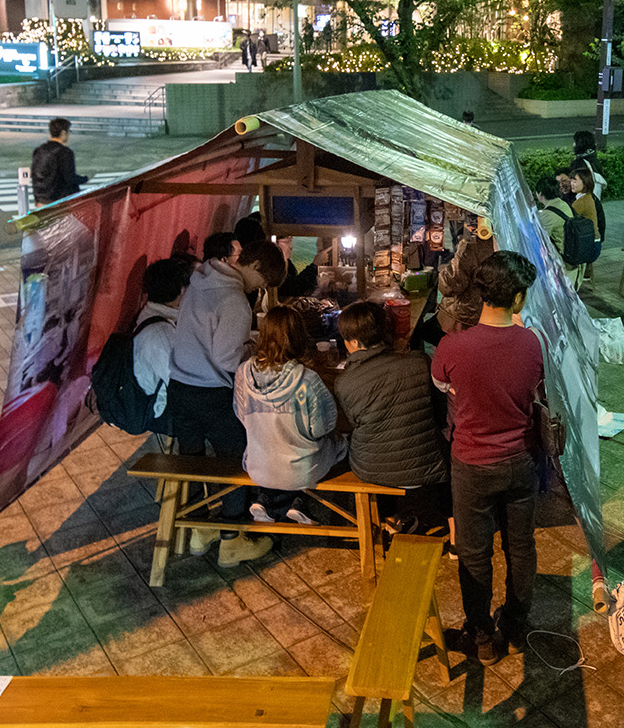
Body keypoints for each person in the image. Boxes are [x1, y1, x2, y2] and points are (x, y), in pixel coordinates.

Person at [431, 250, 543, 661]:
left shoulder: (451, 346)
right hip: (520, 459)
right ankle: (515, 623)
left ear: (481, 294)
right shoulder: (532, 343)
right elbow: (536, 386)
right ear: (517, 298)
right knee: (521, 545)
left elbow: (442, 385)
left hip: (472, 463)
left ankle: (480, 635)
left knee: (474, 553)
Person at [169, 231, 273, 566]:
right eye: (262, 280)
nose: (259, 287)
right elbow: (228, 358)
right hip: (211, 393)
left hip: (180, 386)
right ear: (254, 266)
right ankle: (231, 540)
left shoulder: (200, 280)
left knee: (192, 460)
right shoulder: (234, 300)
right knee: (235, 461)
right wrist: (254, 348)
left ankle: (200, 530)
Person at [336, 300, 450, 534]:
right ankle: (445, 525)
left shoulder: (344, 382)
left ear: (354, 342)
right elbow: (440, 414)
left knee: (370, 444)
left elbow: (354, 423)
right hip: (427, 464)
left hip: (372, 469)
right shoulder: (419, 361)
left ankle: (388, 519)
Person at [238, 304, 343, 524]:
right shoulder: (307, 380)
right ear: (298, 337)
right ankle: (298, 501)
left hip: (258, 467)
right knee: (338, 445)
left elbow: (241, 415)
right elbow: (322, 427)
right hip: (303, 470)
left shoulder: (243, 373)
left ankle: (269, 499)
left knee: (279, 450)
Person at [130, 256, 190, 447]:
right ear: (181, 291)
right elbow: (179, 382)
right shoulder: (160, 333)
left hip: (163, 397)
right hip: (159, 410)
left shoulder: (155, 315)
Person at [436, 216, 494, 334]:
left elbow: (450, 285)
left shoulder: (473, 243)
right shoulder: (514, 236)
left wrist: (442, 273)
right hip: (494, 319)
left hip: (465, 319)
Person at [534, 175, 582, 280]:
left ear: (540, 193)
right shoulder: (563, 204)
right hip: (575, 260)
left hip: (564, 266)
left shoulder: (548, 214)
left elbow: (538, 238)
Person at [30, 118, 87, 206]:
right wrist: (84, 179)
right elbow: (69, 178)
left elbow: (35, 175)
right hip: (57, 200)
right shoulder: (65, 152)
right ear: (63, 133)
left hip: (41, 199)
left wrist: (37, 200)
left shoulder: (39, 150)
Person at [569, 162, 604, 283]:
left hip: (590, 247)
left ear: (584, 183)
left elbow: (566, 217)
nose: (571, 183)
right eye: (571, 180)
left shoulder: (582, 201)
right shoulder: (587, 197)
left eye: (575, 180)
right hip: (593, 244)